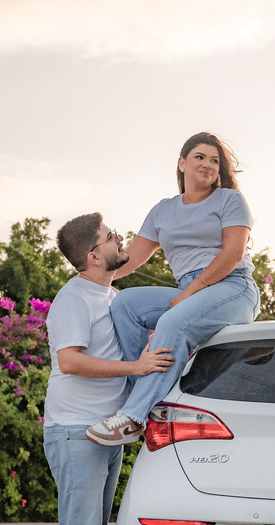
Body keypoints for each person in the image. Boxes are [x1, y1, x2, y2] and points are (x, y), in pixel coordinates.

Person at [44, 212, 175, 525]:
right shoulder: (73, 300)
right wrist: (136, 368)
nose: (120, 239)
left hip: (105, 431)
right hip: (75, 430)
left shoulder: (111, 296)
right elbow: (72, 362)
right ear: (93, 255)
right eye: (111, 236)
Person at [85, 132, 261, 446]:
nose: (208, 164)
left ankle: (134, 417)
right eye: (200, 157)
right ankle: (135, 391)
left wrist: (189, 293)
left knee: (172, 321)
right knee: (125, 304)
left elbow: (233, 253)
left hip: (232, 287)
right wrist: (86, 280)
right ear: (181, 163)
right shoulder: (163, 211)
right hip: (190, 290)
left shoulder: (229, 200)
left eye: (215, 160)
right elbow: (131, 261)